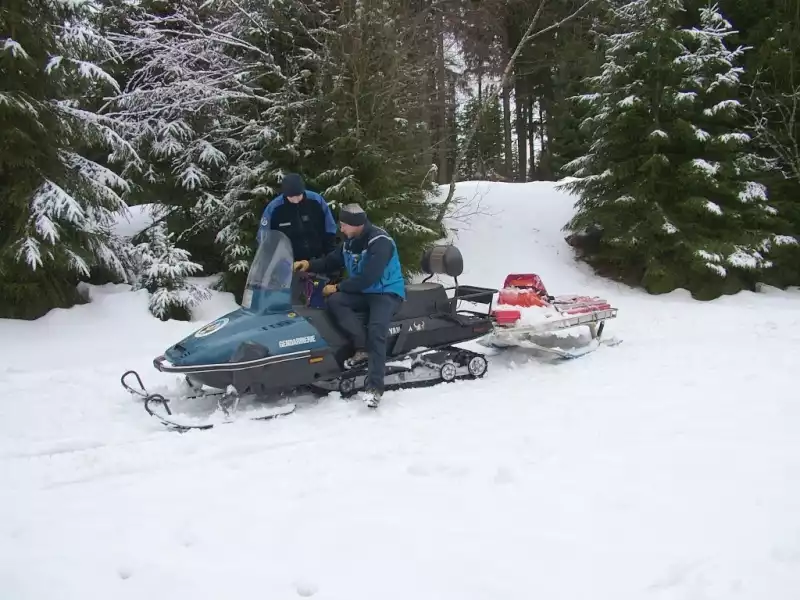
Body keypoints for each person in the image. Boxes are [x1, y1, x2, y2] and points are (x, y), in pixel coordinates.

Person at [293, 204, 405, 408]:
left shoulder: (380, 242)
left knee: (377, 329)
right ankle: (362, 348)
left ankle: (374, 388)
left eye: (344, 225)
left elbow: (369, 278)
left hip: (385, 292)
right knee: (335, 302)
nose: (341, 228)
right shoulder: (350, 242)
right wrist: (308, 264)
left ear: (355, 224)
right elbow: (331, 261)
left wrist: (337, 287)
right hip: (364, 292)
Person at [256, 173, 337, 261]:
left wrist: (331, 254)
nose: (296, 200)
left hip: (318, 259)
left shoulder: (316, 200)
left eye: (298, 196)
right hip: (289, 263)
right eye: (291, 197)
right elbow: (264, 235)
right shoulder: (274, 208)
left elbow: (330, 226)